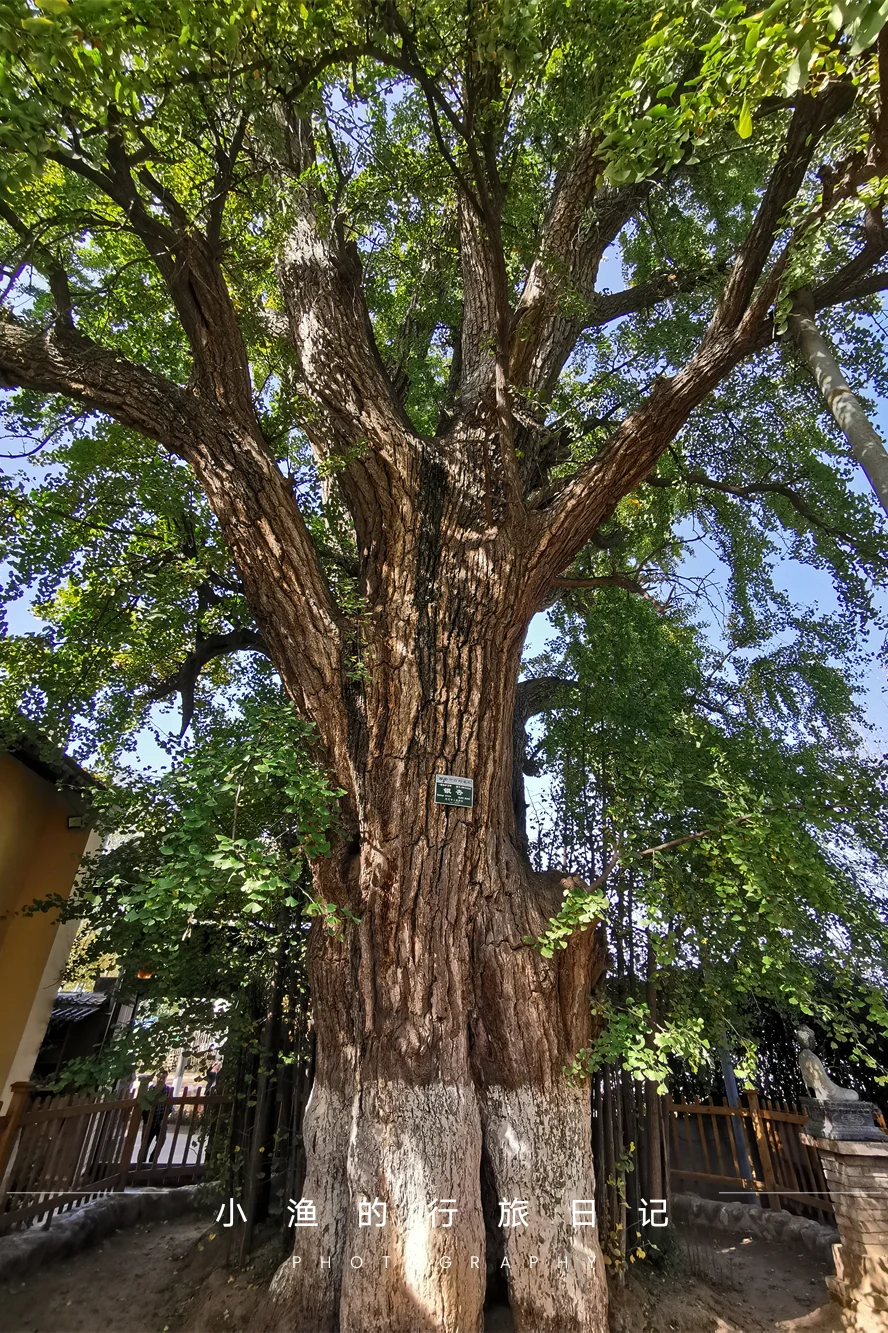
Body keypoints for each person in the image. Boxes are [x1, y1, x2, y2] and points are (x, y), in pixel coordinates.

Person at [139, 1069, 172, 1164]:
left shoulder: (168, 1091)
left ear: (166, 1079)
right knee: (145, 1144)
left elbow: (170, 1107)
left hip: (160, 1121)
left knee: (161, 1141)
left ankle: (152, 1161)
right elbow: (144, 1107)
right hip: (150, 1121)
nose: (161, 1080)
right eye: (160, 1077)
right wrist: (145, 1120)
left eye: (163, 1078)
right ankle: (141, 1163)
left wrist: (164, 1119)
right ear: (157, 1077)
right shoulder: (151, 1089)